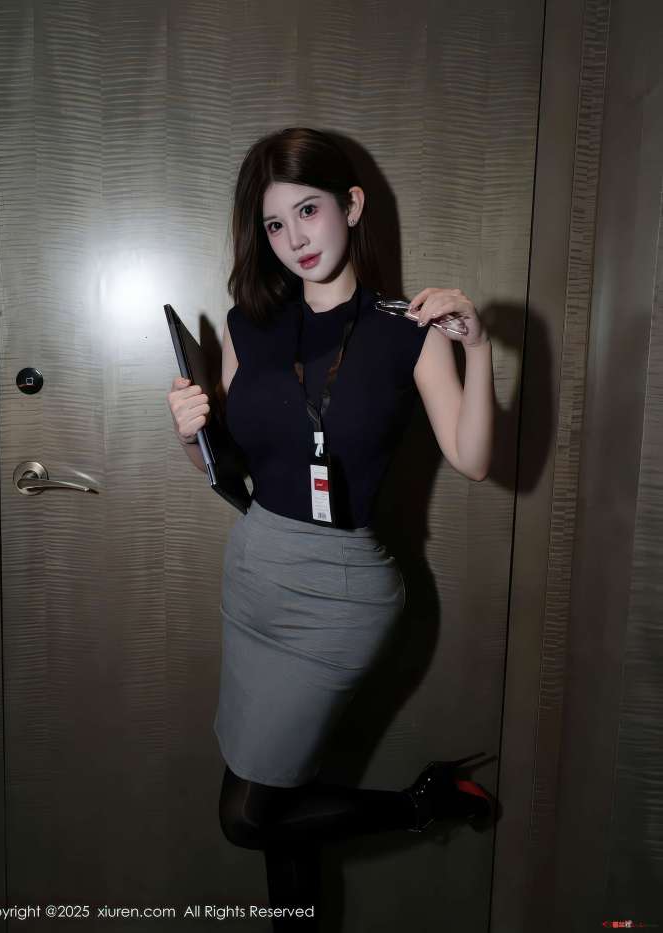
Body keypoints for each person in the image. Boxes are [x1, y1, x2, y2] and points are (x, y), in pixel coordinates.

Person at [167, 127, 497, 929]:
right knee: (286, 806)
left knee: (247, 812)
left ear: (351, 205)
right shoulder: (249, 325)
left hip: (341, 599)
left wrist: (480, 346)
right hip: (255, 572)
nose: (295, 239)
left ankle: (426, 802)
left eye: (308, 211)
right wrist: (190, 432)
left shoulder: (407, 329)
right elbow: (232, 466)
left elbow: (474, 457)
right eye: (275, 224)